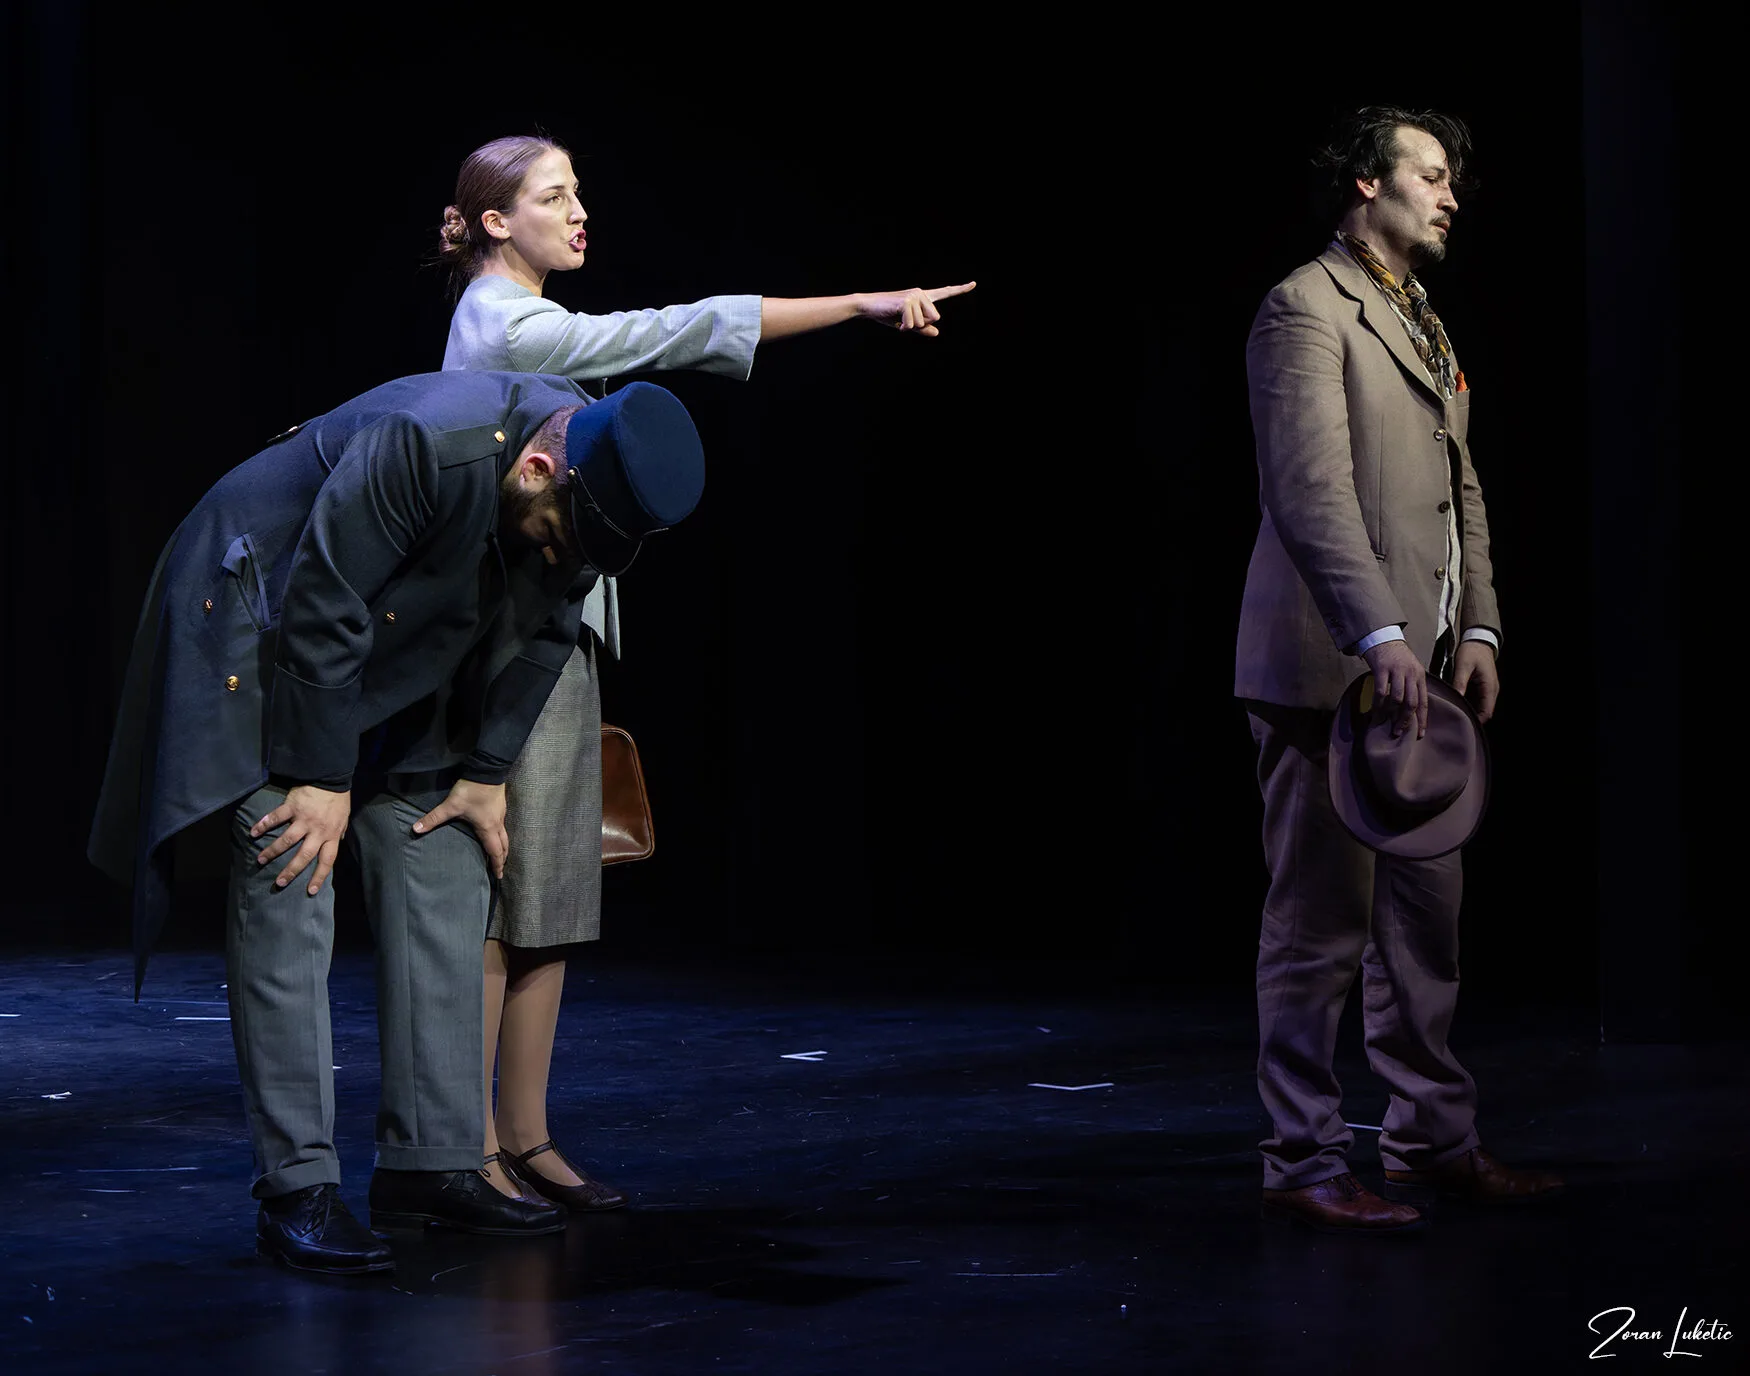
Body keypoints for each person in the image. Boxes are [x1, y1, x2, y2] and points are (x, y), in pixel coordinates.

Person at [435, 133, 976, 1212]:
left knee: (552, 888)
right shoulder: (504, 322)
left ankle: (525, 1134)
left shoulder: (524, 316)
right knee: (503, 894)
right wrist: (857, 304)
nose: (579, 212)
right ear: (496, 222)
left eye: (579, 192)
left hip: (558, 629)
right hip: (510, 637)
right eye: (554, 196)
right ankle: (470, 1144)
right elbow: (671, 329)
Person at [88, 369, 706, 1272]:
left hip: (393, 628)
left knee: (443, 846)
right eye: (553, 536)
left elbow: (545, 632)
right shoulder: (429, 442)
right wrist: (318, 777)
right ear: (537, 470)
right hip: (264, 607)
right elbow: (325, 596)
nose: (556, 558)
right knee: (290, 854)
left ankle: (432, 1162)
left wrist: (486, 774)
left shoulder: (581, 458)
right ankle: (297, 1187)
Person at [1235, 106, 1563, 1233]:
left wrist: (1480, 628)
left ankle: (1432, 1138)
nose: (1451, 194)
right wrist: (1377, 631)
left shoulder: (1423, 322)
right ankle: (1303, 1158)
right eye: (1430, 173)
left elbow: (1460, 488)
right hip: (1330, 665)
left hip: (1424, 673)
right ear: (1367, 183)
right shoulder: (1305, 306)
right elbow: (1309, 491)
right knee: (1320, 927)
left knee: (1426, 930)